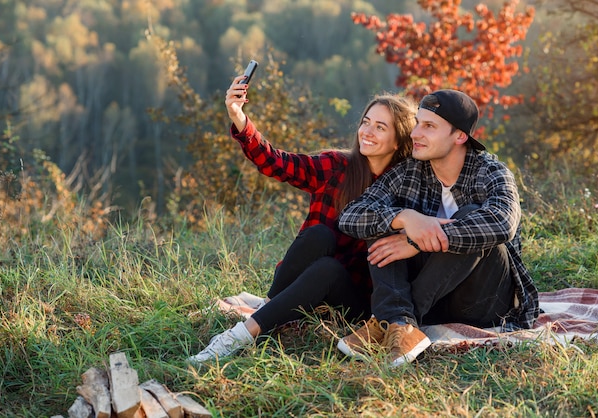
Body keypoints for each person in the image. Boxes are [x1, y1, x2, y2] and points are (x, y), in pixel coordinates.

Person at [186, 73, 417, 364]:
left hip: (354, 299)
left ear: (398, 141)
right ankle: (269, 310)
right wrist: (238, 117)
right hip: (302, 278)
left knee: (328, 270)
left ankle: (237, 337)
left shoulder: (405, 188)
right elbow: (278, 163)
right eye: (366, 122)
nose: (367, 132)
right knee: (319, 235)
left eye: (380, 127)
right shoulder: (337, 166)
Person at [336, 89, 540, 367]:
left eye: (429, 126)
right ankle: (398, 324)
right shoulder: (410, 171)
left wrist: (415, 241)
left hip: (483, 301)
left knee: (471, 216)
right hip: (436, 302)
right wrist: (405, 218)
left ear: (459, 137)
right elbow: (351, 215)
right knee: (384, 221)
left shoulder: (490, 171)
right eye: (418, 123)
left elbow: (502, 222)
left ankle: (394, 322)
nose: (415, 133)